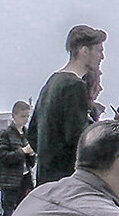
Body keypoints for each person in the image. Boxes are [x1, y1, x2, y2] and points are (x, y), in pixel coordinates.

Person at [30, 25, 106, 185]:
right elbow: (78, 139)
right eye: (99, 51)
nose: (102, 57)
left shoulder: (51, 82)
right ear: (84, 51)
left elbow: (32, 135)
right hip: (66, 183)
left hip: (46, 181)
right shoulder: (75, 86)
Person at [0, 100, 36, 216]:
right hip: (10, 184)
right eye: (23, 116)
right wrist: (23, 151)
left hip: (25, 180)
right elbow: (4, 157)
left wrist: (31, 155)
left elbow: (31, 163)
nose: (26, 119)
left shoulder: (27, 134)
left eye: (27, 116)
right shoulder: (5, 134)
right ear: (13, 116)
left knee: (25, 214)